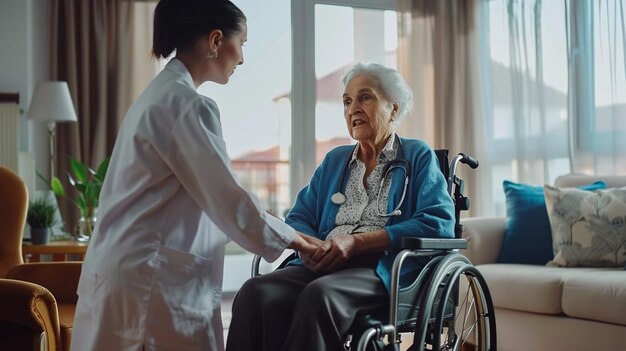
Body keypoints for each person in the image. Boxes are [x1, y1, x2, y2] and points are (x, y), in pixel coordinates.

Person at [70, 1, 322, 350]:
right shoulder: (187, 105)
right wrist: (303, 242)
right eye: (243, 43)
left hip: (126, 273)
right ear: (216, 40)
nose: (244, 57)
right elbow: (230, 200)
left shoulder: (159, 96)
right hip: (149, 283)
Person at [226, 62, 456, 351]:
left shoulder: (416, 155)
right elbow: (299, 216)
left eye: (365, 97)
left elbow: (437, 222)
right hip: (326, 264)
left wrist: (356, 243)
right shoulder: (336, 161)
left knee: (319, 296)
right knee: (255, 293)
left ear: (394, 109)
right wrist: (311, 248)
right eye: (347, 101)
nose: (353, 108)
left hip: (382, 269)